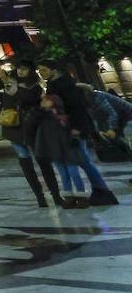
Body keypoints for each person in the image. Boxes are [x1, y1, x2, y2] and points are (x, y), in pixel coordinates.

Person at [0, 60, 63, 207]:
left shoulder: (34, 86)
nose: (20, 72)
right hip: (14, 128)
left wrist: (9, 84)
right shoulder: (10, 82)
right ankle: (40, 197)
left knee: (43, 161)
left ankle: (56, 195)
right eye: (18, 69)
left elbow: (24, 98)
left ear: (30, 71)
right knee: (25, 162)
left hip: (33, 127)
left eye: (24, 69)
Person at [36, 59, 118, 206]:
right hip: (66, 128)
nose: (41, 73)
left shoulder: (64, 84)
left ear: (54, 70)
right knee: (83, 162)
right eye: (40, 71)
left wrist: (76, 128)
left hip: (73, 129)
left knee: (83, 161)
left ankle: (102, 192)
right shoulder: (58, 83)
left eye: (44, 70)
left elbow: (76, 107)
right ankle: (101, 192)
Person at [35, 94, 88, 208]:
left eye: (46, 100)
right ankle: (69, 198)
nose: (43, 102)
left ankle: (82, 197)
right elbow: (35, 117)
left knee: (74, 173)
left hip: (68, 149)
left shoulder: (63, 115)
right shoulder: (43, 117)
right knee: (64, 175)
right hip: (55, 150)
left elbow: (73, 129)